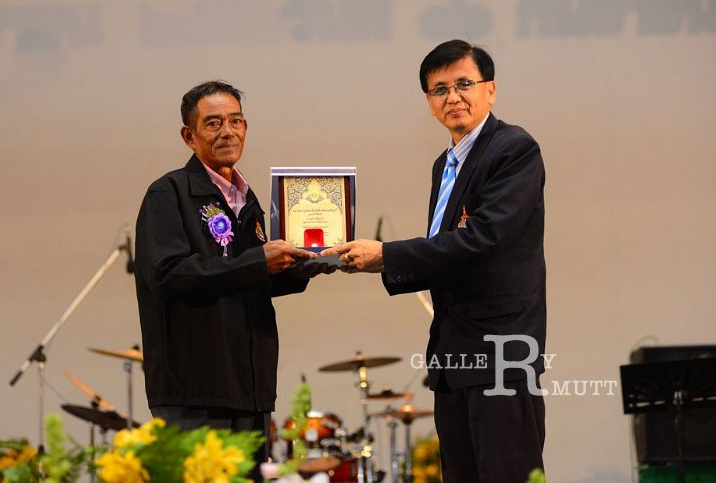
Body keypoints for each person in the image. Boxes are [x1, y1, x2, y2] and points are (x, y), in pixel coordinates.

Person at [322, 40, 546, 483]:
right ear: (428, 102)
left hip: (500, 355)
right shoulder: (445, 164)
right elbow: (445, 252)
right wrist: (378, 262)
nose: (453, 97)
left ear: (490, 90)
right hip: (453, 356)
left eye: (464, 84)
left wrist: (387, 255)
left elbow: (483, 239)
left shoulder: (514, 149)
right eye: (440, 89)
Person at [134, 80, 325, 480]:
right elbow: (168, 274)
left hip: (250, 389)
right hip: (195, 392)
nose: (228, 131)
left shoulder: (247, 199)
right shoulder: (168, 194)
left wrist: (308, 263)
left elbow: (252, 278)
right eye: (213, 123)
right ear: (189, 136)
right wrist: (259, 262)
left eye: (236, 121)